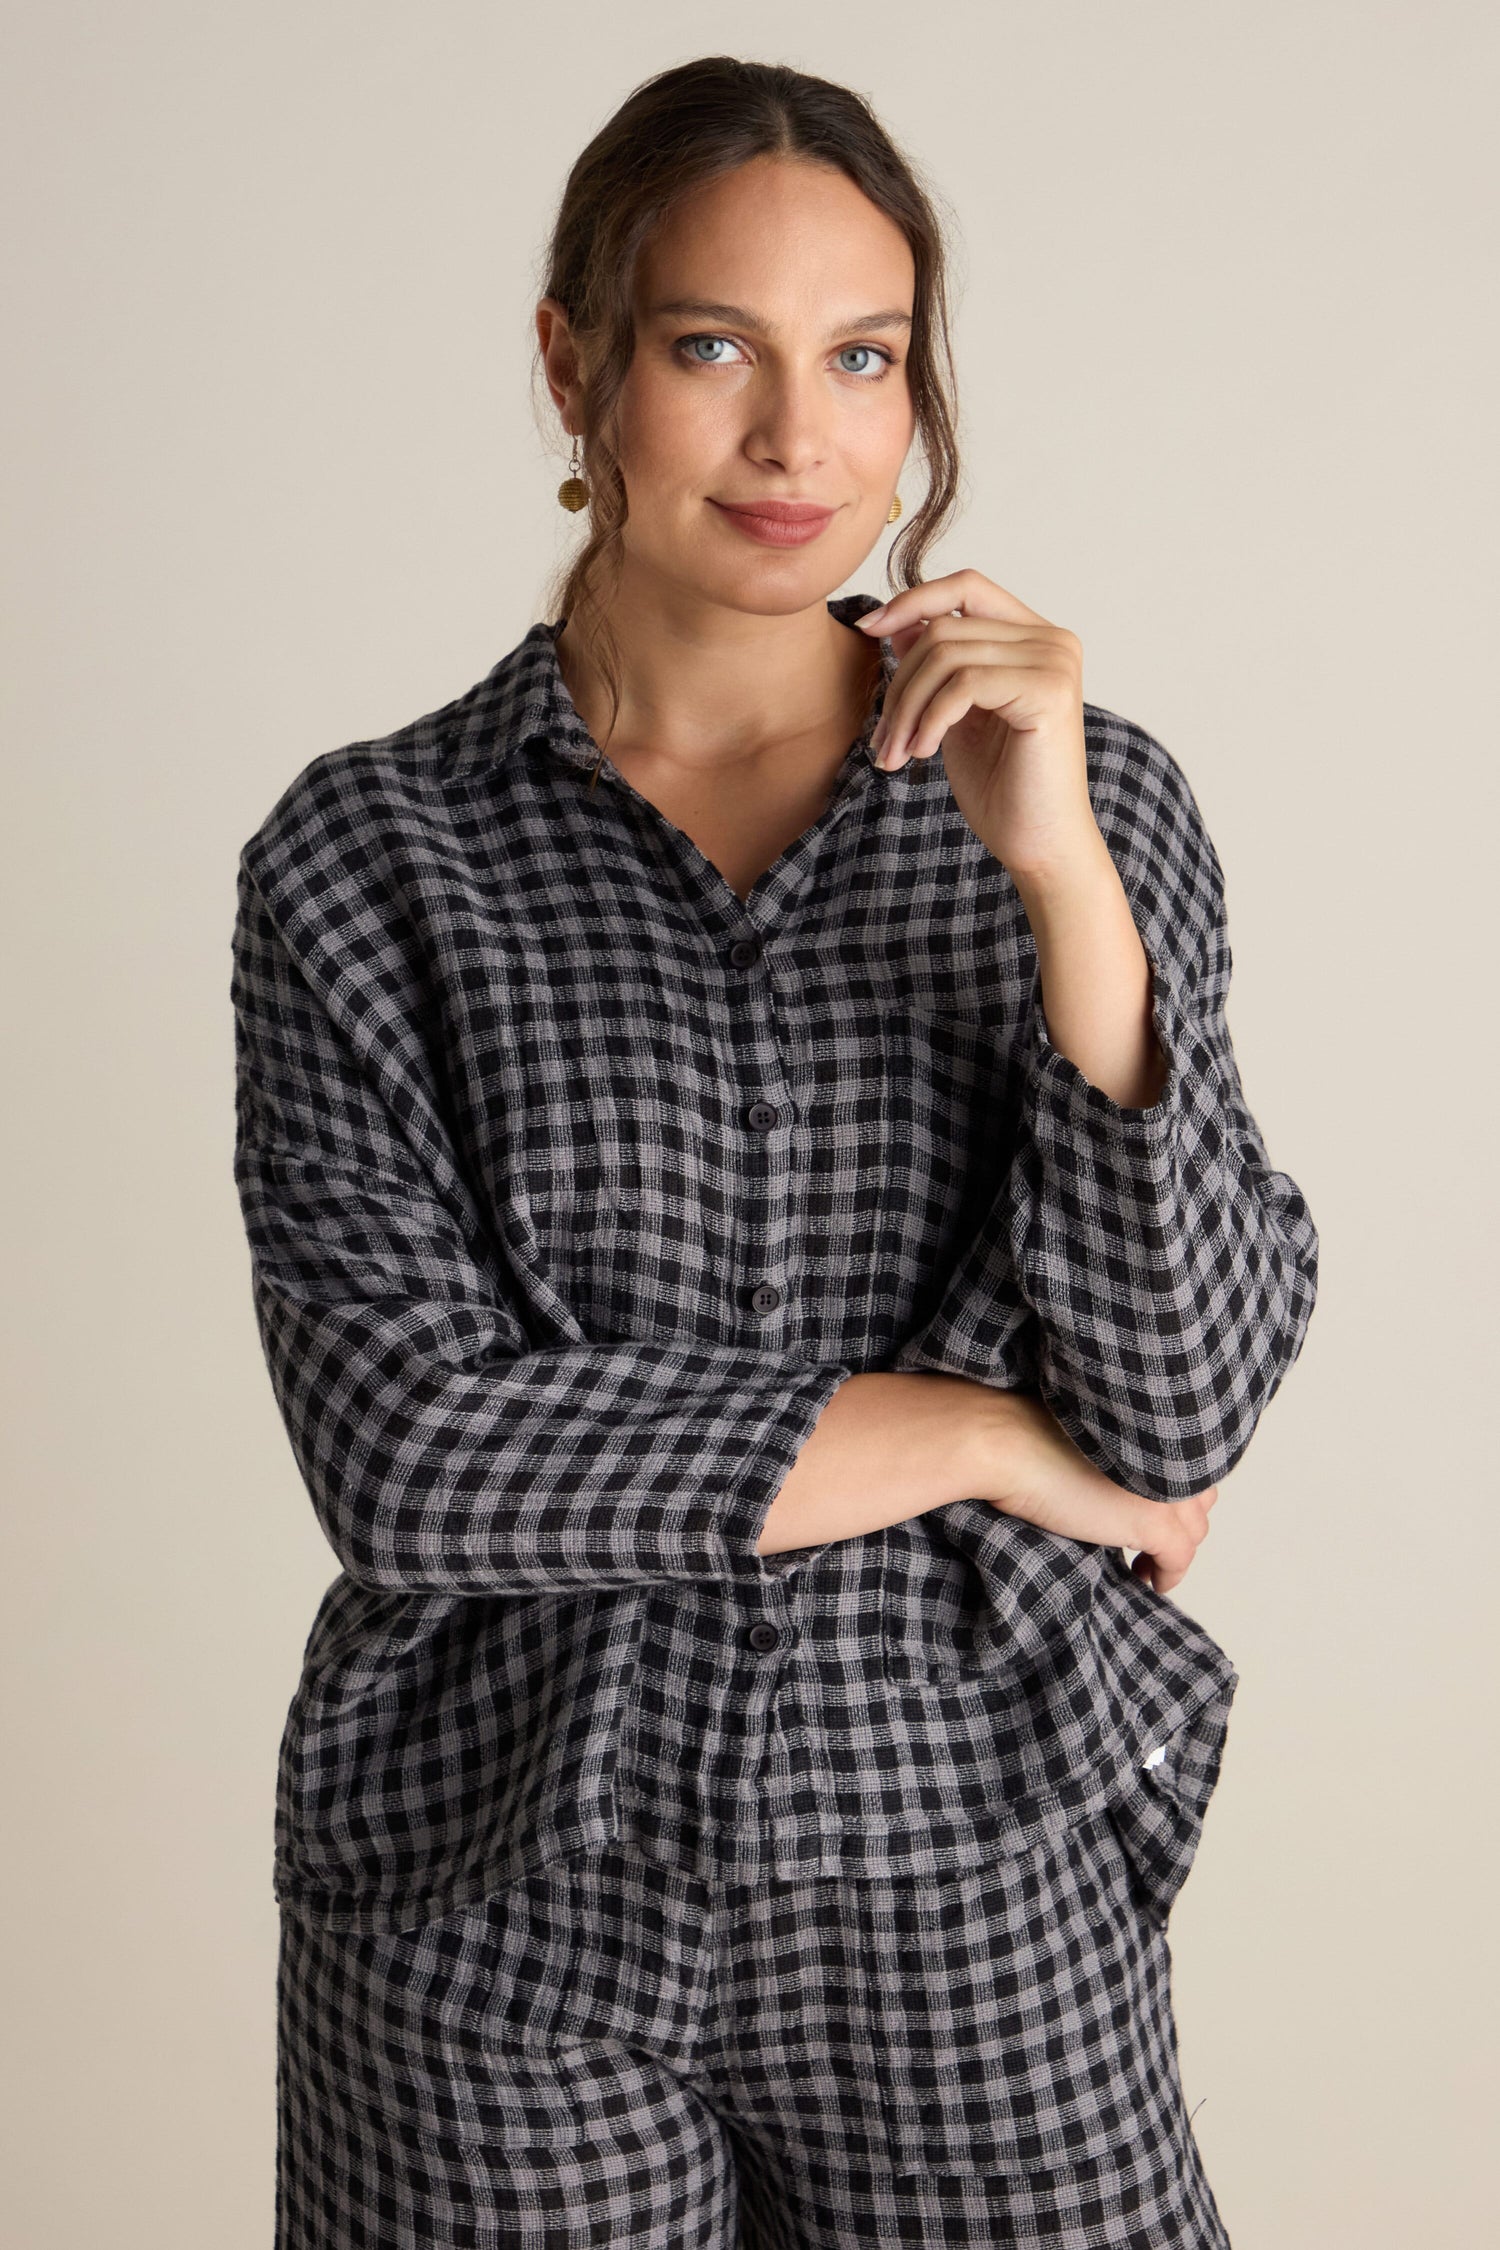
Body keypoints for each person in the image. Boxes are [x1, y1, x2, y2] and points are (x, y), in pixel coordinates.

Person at [234, 55, 1319, 2250]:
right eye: (710, 346)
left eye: (865, 360)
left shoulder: (1090, 815)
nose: (798, 441)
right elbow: (423, 1463)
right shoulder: (371, 857)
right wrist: (988, 1445)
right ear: (574, 361)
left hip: (972, 1874)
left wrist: (1062, 885)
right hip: (493, 1896)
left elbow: (1181, 1408)